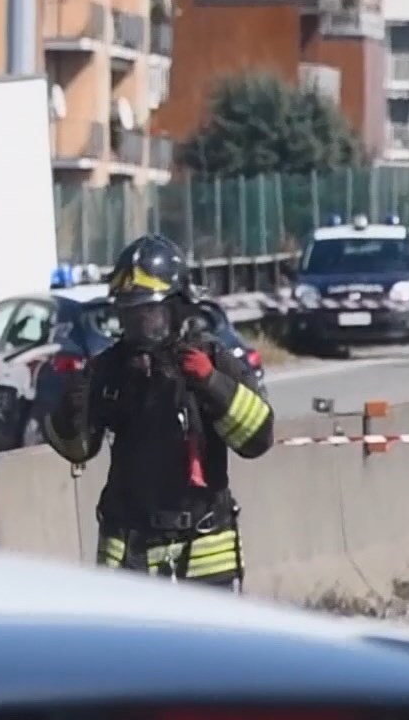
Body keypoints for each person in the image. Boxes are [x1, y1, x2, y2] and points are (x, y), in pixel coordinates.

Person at [42, 234, 273, 593]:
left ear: (178, 309)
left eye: (149, 314)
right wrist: (75, 402)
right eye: (129, 314)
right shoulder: (110, 370)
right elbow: (75, 448)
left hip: (205, 557)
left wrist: (211, 384)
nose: (139, 327)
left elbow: (258, 437)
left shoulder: (210, 360)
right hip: (128, 556)